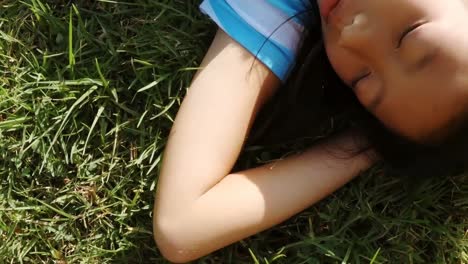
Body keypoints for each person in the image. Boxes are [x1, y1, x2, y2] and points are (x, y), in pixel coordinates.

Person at [153, 0, 468, 262]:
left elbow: (183, 223)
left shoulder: (277, 11)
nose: (352, 35)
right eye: (411, 36)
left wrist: (363, 148)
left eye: (362, 80)